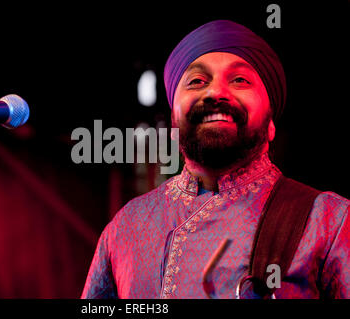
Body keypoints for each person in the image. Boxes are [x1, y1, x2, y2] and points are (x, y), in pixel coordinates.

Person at [81, 20, 349, 299]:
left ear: (271, 123)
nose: (215, 93)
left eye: (239, 80)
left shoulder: (329, 220)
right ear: (173, 120)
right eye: (197, 81)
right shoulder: (127, 226)